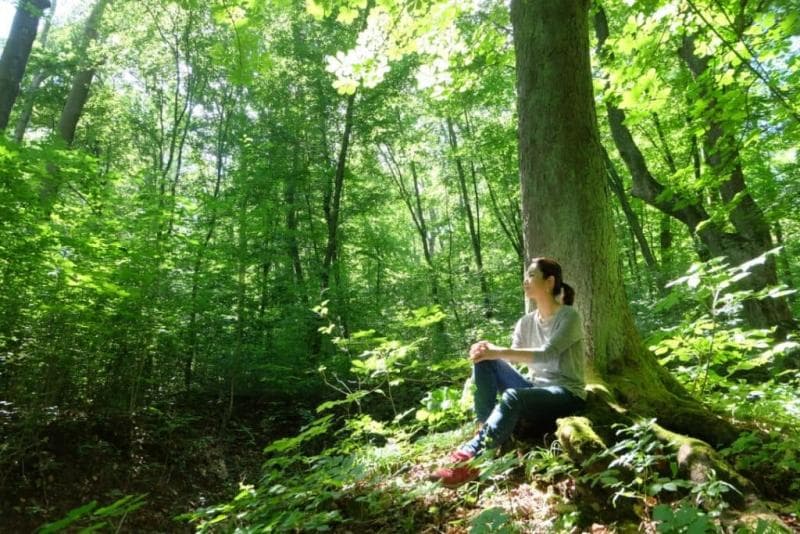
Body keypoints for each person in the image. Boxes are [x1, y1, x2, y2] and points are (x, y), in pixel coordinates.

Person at [431, 257, 587, 488]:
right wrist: (487, 352)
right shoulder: (525, 322)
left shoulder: (569, 316)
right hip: (535, 390)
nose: (525, 280)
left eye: (531, 275)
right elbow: (514, 356)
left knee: (513, 395)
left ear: (549, 282)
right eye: (526, 275)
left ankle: (471, 458)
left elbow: (547, 353)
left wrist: (498, 351)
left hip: (566, 394)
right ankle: (483, 427)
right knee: (483, 360)